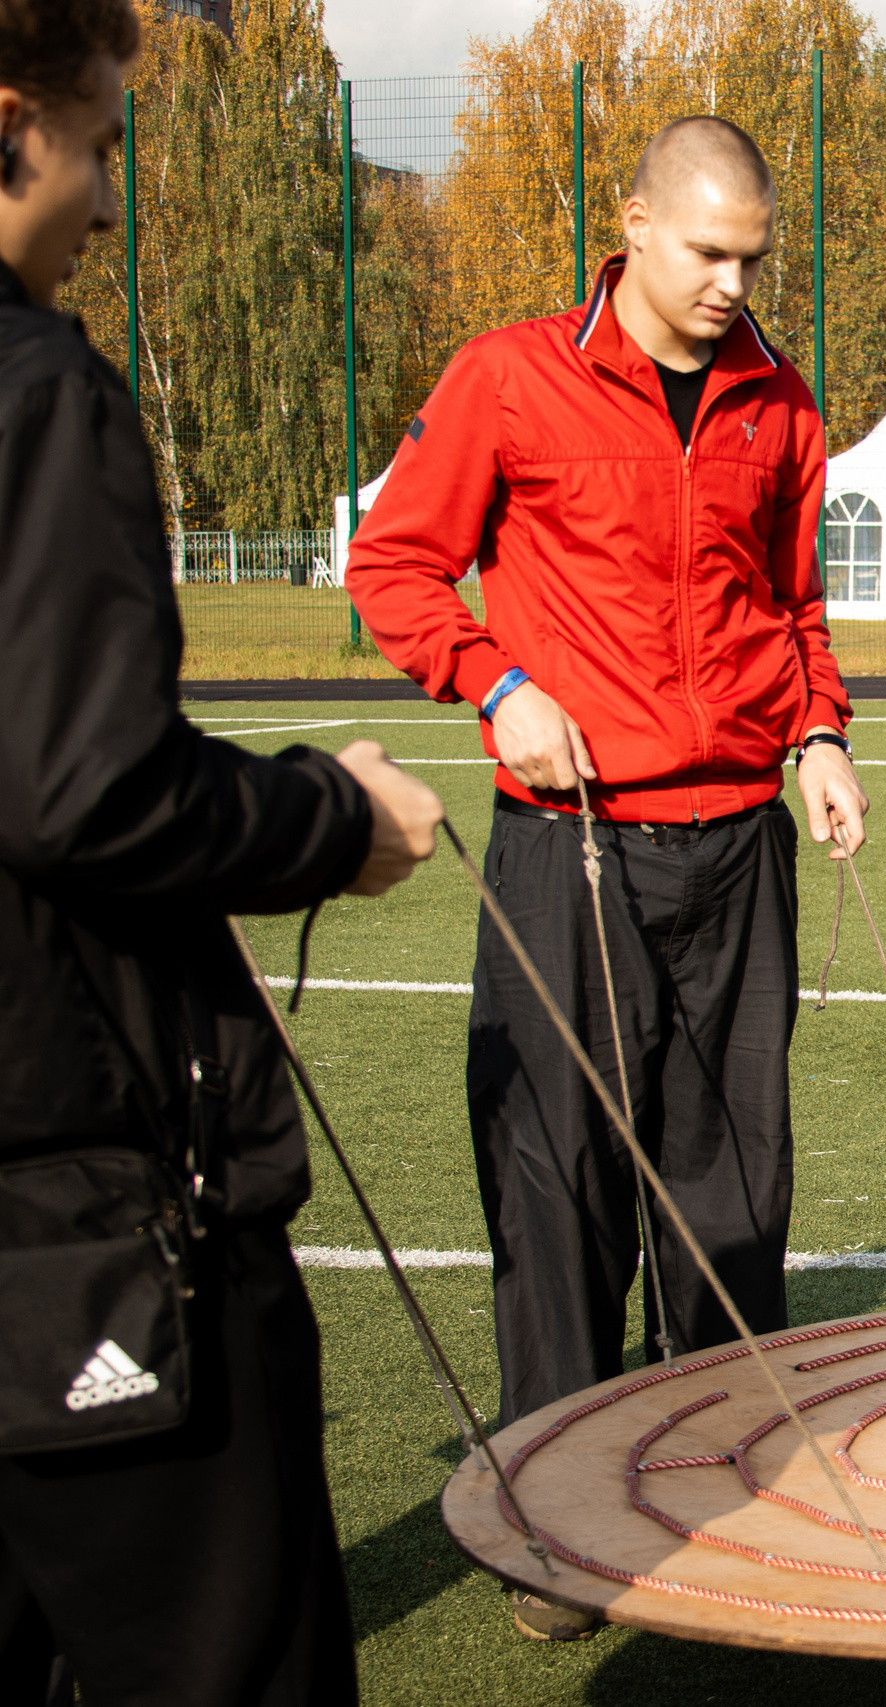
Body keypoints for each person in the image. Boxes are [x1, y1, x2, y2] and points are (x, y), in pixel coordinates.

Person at [347, 115, 865, 1640]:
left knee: (729, 1181)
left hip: (739, 844)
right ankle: (560, 1519)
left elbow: (796, 603)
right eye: (706, 251)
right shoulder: (509, 376)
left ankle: (709, 1475)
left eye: (752, 258)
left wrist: (821, 730)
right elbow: (393, 564)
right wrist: (494, 681)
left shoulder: (783, 400)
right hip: (564, 841)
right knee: (559, 1177)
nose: (729, 284)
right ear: (632, 221)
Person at [0, 5, 446, 1700]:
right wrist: (335, 816)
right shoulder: (37, 389)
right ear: (11, 125)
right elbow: (85, 787)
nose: (105, 200)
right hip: (81, 1213)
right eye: (99, 141)